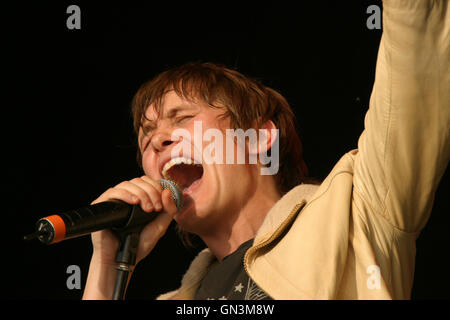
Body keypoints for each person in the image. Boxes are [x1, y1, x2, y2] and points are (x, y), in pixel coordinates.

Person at [83, 0, 450, 300]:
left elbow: (416, 62)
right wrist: (107, 264)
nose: (156, 140)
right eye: (146, 138)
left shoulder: (357, 211)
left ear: (258, 138)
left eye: (181, 119)